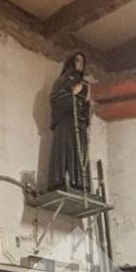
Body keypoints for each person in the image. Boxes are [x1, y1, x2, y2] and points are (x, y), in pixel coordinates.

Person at [47, 52, 92, 193]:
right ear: (71, 62)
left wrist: (86, 106)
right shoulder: (61, 81)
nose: (81, 64)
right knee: (67, 150)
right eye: (78, 60)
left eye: (83, 61)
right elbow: (55, 100)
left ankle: (79, 182)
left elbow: (86, 107)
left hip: (80, 125)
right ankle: (63, 181)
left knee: (80, 152)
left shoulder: (85, 85)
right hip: (66, 123)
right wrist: (72, 96)